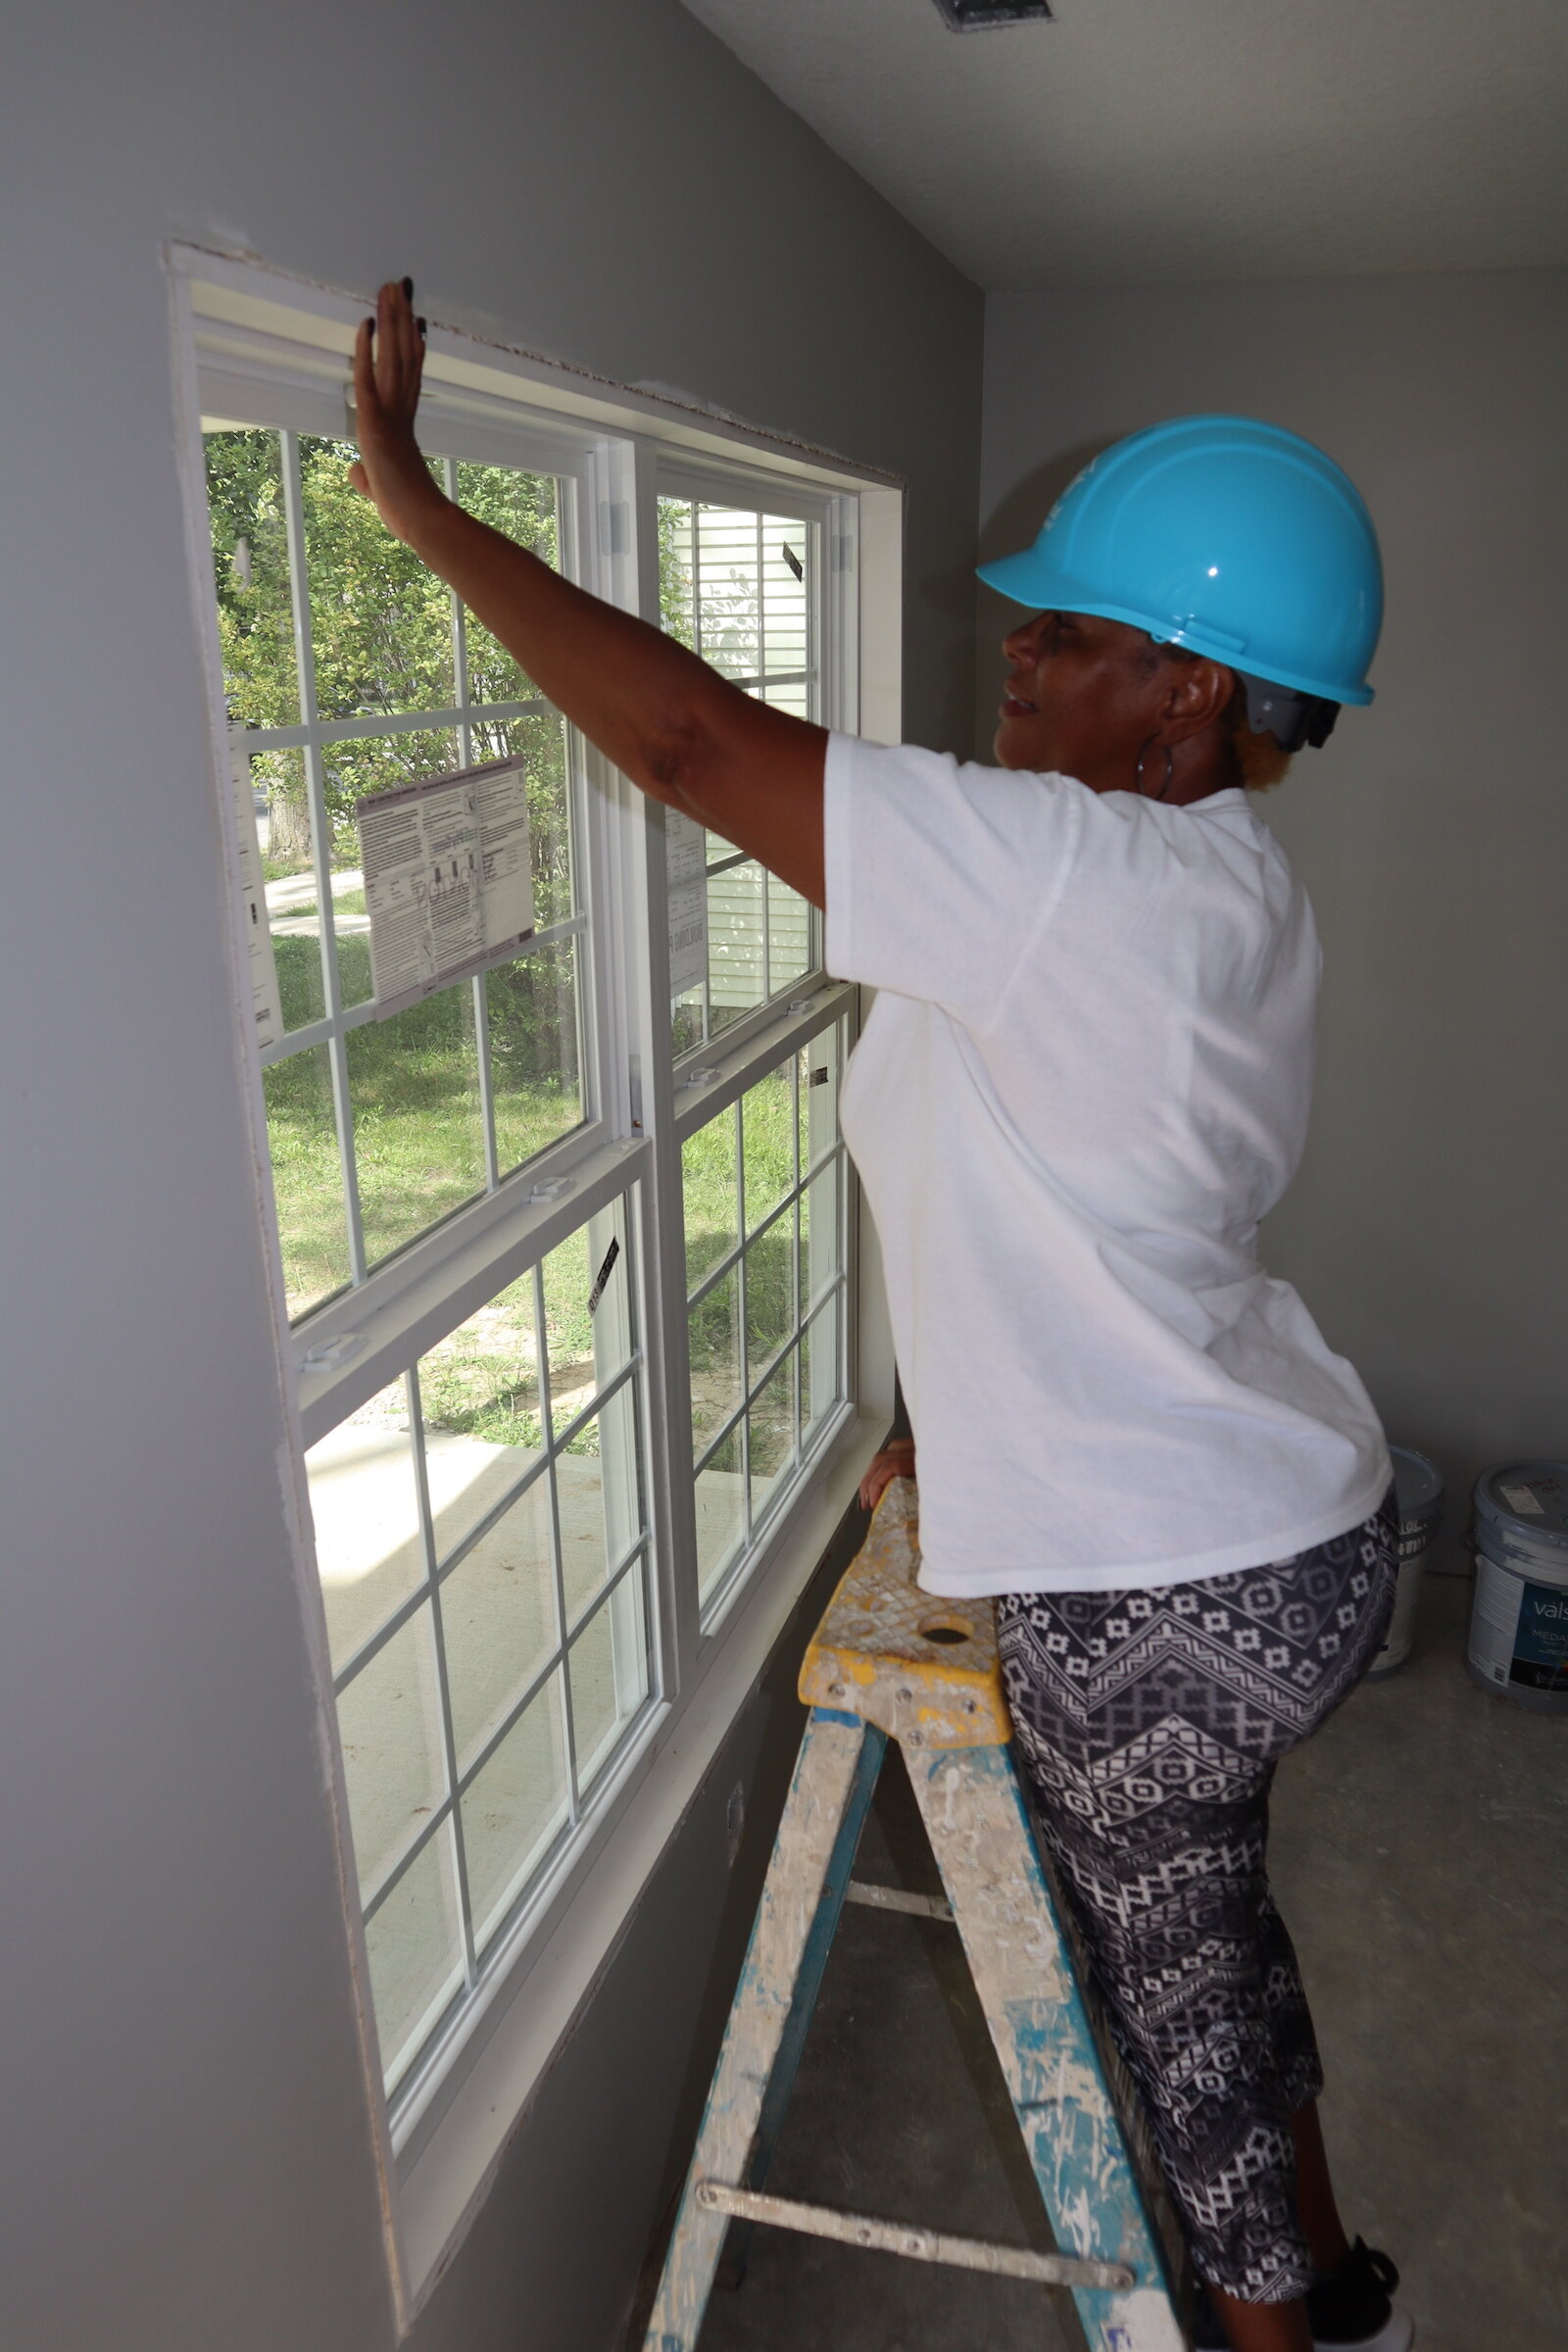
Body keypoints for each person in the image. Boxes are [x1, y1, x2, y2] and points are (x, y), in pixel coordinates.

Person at [348, 280, 1410, 2352]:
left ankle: (1283, 2318)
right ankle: (1345, 2288)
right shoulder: (1207, 885)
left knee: (1168, 2043)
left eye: (1071, 636)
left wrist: (408, 496)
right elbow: (1061, 1191)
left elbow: (678, 740)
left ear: (1186, 701)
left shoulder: (1055, 876)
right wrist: (963, 1415)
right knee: (1221, 1962)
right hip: (1295, 1528)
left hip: (1156, 1590)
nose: (1012, 650)